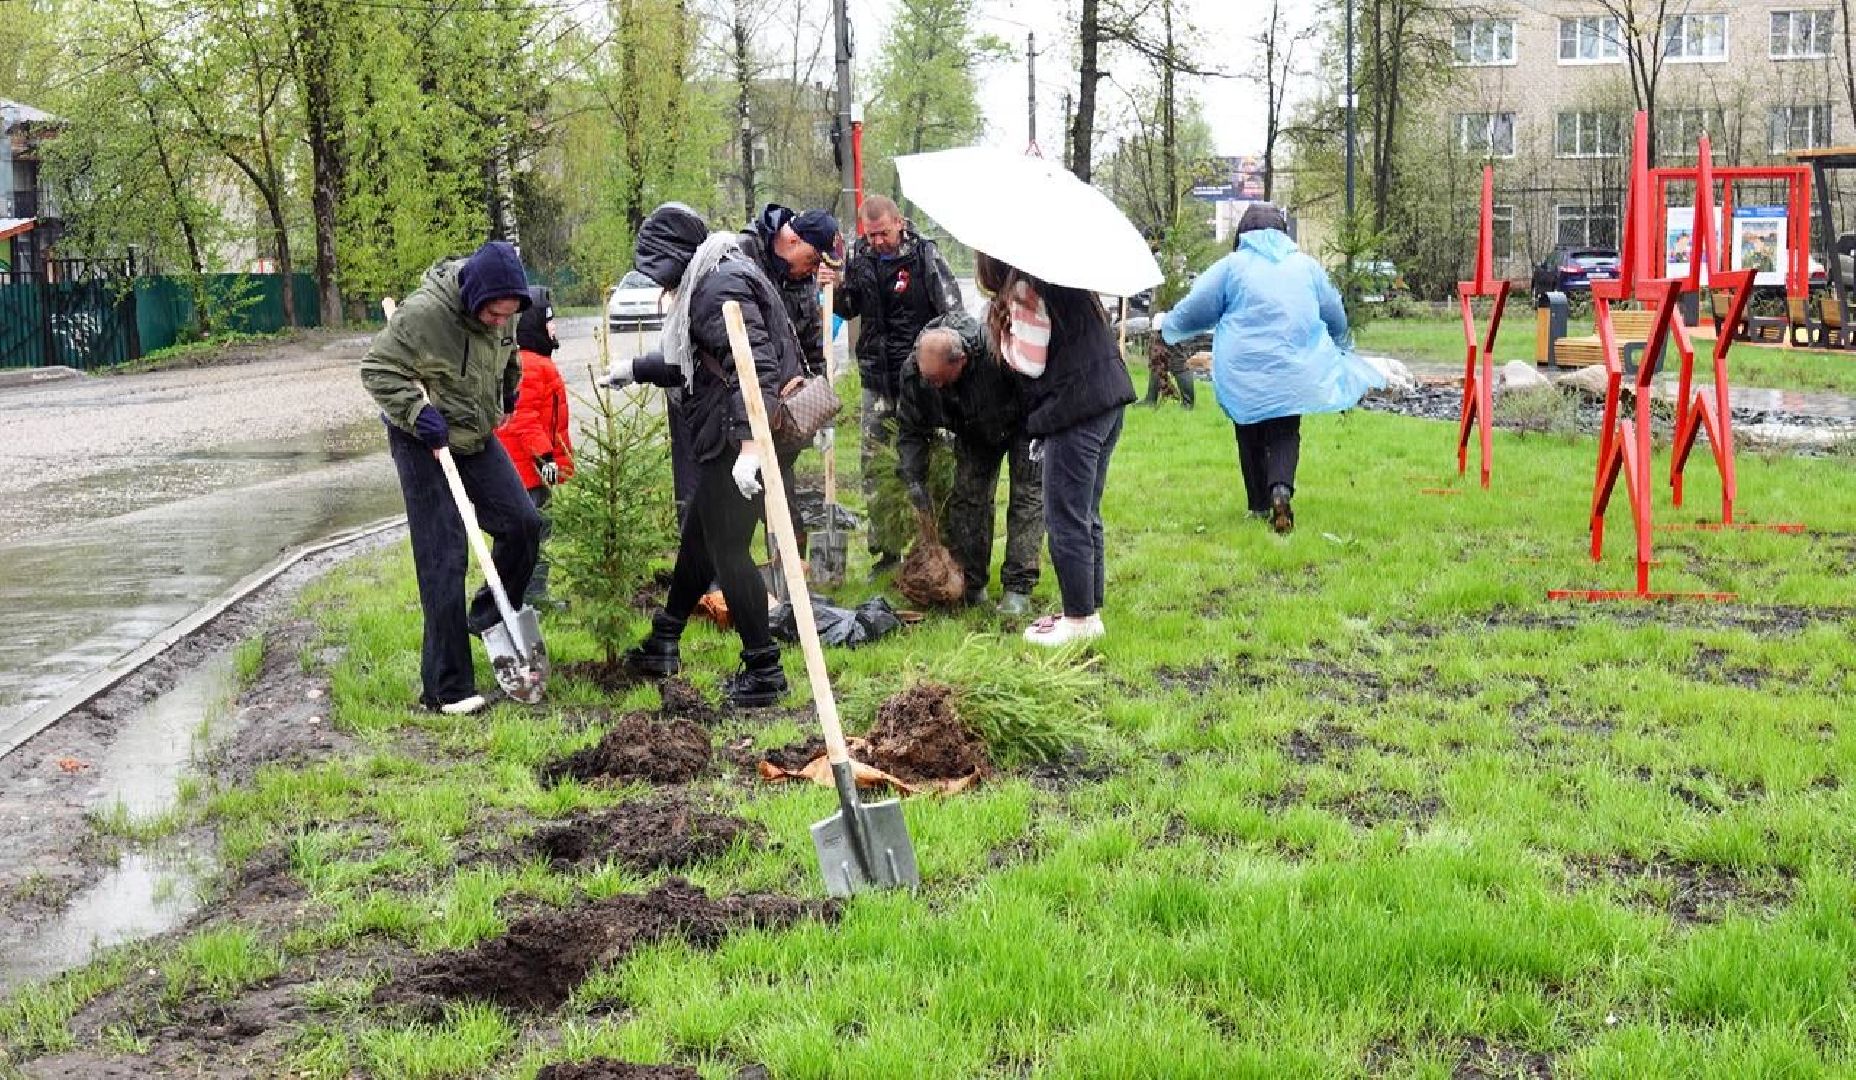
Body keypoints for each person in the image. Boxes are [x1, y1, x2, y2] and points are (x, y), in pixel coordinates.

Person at [601, 203, 803, 707]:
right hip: (736, 435)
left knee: (729, 550)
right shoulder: (717, 270)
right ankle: (665, 638)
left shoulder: (718, 287)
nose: (659, 284)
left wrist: (751, 450)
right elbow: (701, 362)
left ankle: (765, 670)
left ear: (677, 256)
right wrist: (637, 368)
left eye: (659, 270)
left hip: (743, 440)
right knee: (701, 536)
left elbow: (750, 366)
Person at [361, 240, 542, 715]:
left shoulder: (507, 310)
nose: (502, 321)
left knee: (522, 523)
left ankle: (487, 614)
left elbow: (510, 355)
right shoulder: (423, 315)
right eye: (494, 315)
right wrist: (417, 413)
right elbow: (377, 368)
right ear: (474, 298)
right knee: (444, 556)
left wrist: (507, 394)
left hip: (475, 434)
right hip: (423, 440)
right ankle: (446, 687)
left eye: (509, 315)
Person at [1157, 203, 1383, 534]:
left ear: (1242, 234)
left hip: (1243, 371)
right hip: (1294, 368)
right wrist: (1341, 340)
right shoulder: (1306, 267)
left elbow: (1196, 308)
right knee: (1285, 431)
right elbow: (1334, 311)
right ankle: (1280, 490)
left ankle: (1259, 504)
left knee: (1247, 429)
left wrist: (1168, 326)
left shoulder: (1231, 267)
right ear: (1283, 232)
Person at [978, 252, 1134, 647]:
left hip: (1075, 410)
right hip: (1108, 401)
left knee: (1065, 518)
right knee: (1086, 513)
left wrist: (1006, 338)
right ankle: (1089, 608)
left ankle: (1079, 618)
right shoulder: (1064, 274)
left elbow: (1030, 362)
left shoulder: (1024, 289)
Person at [833, 195, 962, 571]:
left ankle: (938, 545)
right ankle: (886, 552)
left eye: (883, 233)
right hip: (877, 378)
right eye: (870, 235)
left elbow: (953, 315)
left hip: (923, 378)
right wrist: (837, 285)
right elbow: (847, 308)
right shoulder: (860, 258)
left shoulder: (925, 256)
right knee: (876, 466)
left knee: (934, 459)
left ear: (899, 222)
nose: (877, 241)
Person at [894, 310, 1042, 615]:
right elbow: (911, 430)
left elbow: (1034, 387)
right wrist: (914, 479)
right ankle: (972, 584)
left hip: (1024, 424)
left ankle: (1018, 588)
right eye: (928, 380)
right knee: (968, 500)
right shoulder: (915, 373)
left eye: (938, 380)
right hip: (973, 430)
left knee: (1027, 499)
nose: (933, 386)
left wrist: (1040, 432)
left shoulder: (996, 352)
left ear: (960, 361)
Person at [734, 203, 842, 562]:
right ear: (792, 239)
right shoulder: (743, 257)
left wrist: (822, 406)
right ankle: (726, 586)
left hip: (784, 405)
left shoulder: (800, 277)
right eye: (812, 259)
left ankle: (789, 584)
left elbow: (812, 339)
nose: (812, 270)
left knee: (782, 496)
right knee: (735, 507)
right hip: (740, 399)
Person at [494, 286, 575, 607]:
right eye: (548, 321)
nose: (553, 327)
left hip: (532, 471)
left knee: (540, 533)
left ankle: (533, 594)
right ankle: (527, 596)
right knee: (531, 536)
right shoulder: (529, 365)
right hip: (524, 472)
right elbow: (523, 419)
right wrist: (545, 459)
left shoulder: (536, 361)